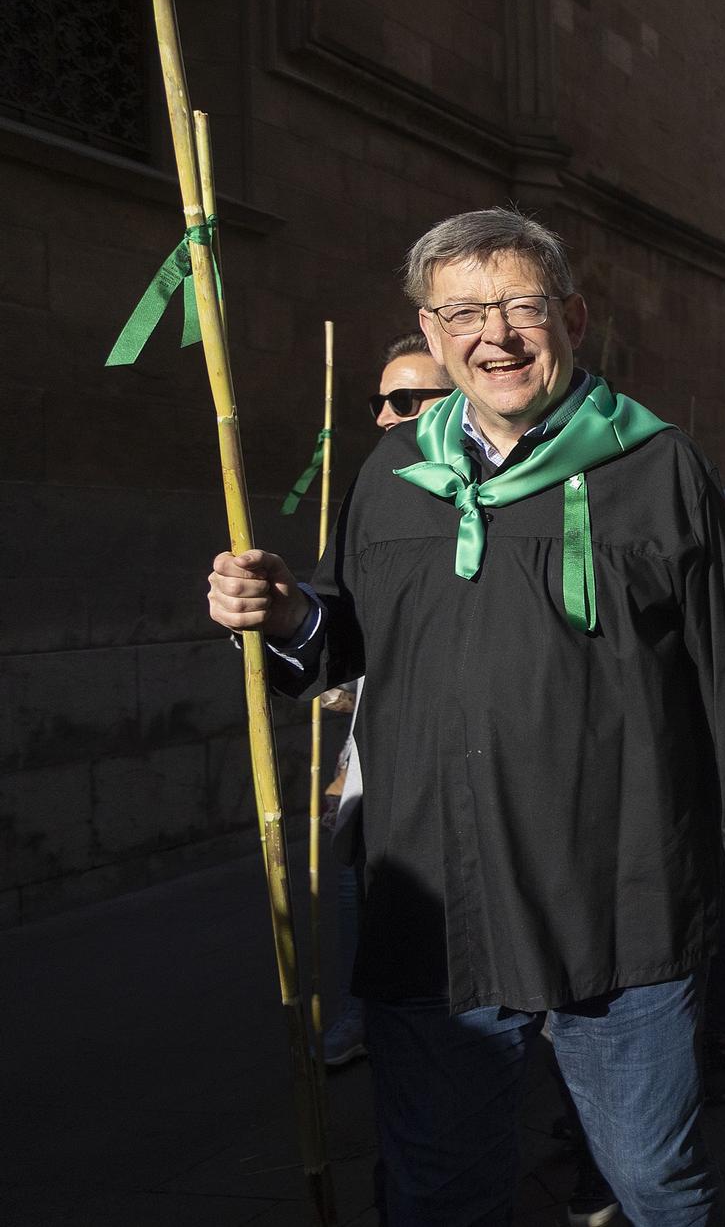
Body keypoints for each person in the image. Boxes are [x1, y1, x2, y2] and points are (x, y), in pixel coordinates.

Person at [205, 208, 725, 1225]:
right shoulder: (393, 478)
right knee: (443, 1189)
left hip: (620, 891)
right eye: (463, 314)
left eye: (521, 306)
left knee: (653, 1184)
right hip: (440, 896)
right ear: (432, 336)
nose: (495, 335)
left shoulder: (655, 469)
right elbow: (346, 634)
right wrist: (283, 613)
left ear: (571, 316)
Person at [316, 334, 458, 1070]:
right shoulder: (373, 485)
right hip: (384, 737)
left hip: (470, 751)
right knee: (360, 869)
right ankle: (361, 1005)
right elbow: (338, 613)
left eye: (405, 401)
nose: (384, 419)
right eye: (379, 402)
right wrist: (288, 617)